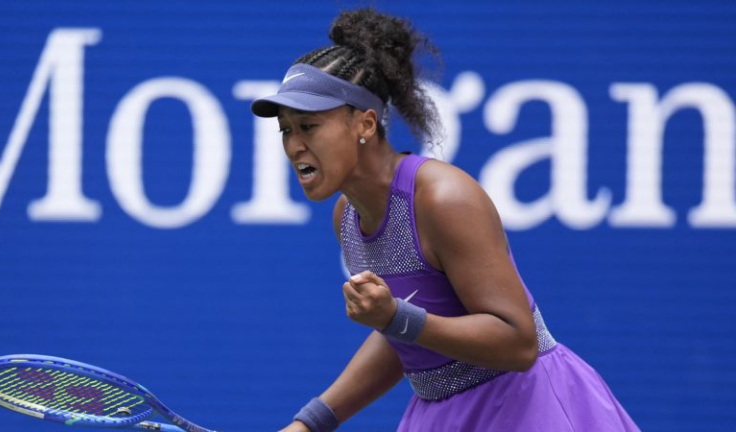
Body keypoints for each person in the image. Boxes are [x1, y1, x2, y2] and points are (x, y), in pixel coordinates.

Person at [251, 8, 640, 432]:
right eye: (286, 130)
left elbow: (518, 341)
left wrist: (395, 317)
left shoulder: (443, 198)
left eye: (308, 125)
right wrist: (311, 422)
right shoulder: (347, 216)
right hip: (444, 414)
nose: (294, 146)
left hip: (527, 406)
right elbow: (407, 334)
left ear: (364, 123)